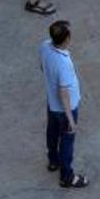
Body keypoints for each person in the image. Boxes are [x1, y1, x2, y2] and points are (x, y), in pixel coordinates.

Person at [40, 20, 88, 188]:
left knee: (52, 132)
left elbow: (42, 66)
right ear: (66, 39)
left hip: (52, 105)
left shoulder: (45, 46)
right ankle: (67, 176)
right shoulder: (63, 63)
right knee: (67, 140)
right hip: (65, 109)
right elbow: (64, 93)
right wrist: (71, 119)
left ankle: (53, 161)